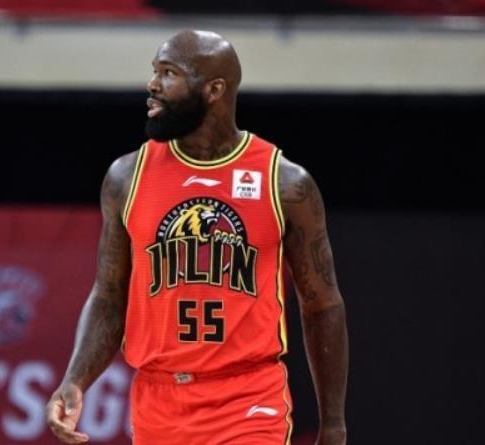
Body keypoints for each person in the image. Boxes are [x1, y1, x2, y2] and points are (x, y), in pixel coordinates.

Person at [46, 30, 348, 445]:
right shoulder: (126, 177)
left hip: (248, 399)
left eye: (168, 73)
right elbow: (109, 296)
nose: (152, 84)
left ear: (213, 89)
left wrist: (333, 423)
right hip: (158, 400)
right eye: (154, 71)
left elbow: (322, 305)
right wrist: (75, 380)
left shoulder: (284, 183)